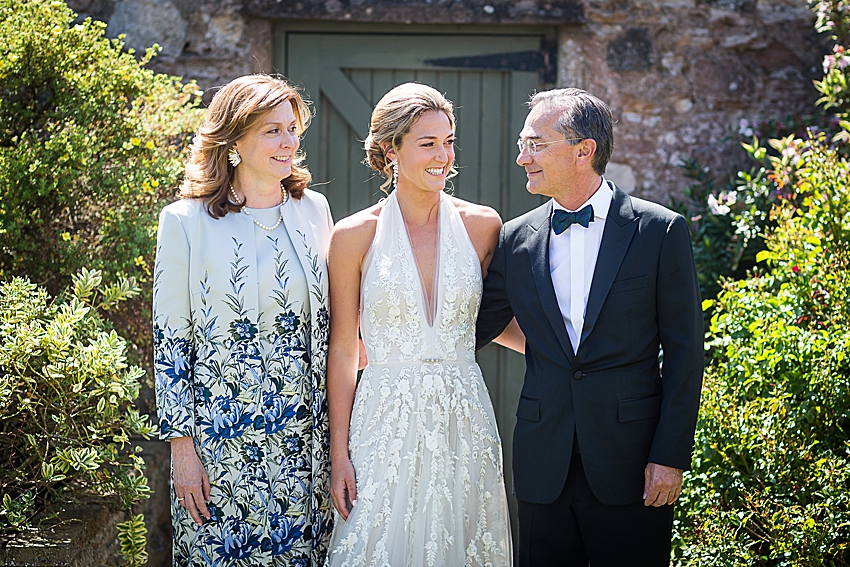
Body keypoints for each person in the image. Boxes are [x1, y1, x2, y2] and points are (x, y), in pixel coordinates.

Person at [476, 88, 704, 566]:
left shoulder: (659, 231)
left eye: (536, 144)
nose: (522, 157)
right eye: (523, 143)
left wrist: (671, 456)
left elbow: (685, 354)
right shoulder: (516, 239)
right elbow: (471, 327)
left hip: (633, 464)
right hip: (543, 464)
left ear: (584, 151)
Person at [324, 82, 514, 566]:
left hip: (463, 414)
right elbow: (345, 350)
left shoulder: (483, 225)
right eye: (428, 143)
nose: (443, 156)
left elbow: (493, 322)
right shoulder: (352, 236)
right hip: (382, 418)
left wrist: (574, 354)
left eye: (449, 141)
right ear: (391, 150)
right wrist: (339, 452)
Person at [153, 74, 334, 566]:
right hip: (218, 445)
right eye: (272, 130)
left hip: (306, 446)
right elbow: (171, 344)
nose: (289, 142)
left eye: (293, 129)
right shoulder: (184, 222)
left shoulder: (314, 210)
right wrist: (182, 452)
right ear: (234, 140)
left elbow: (336, 327)